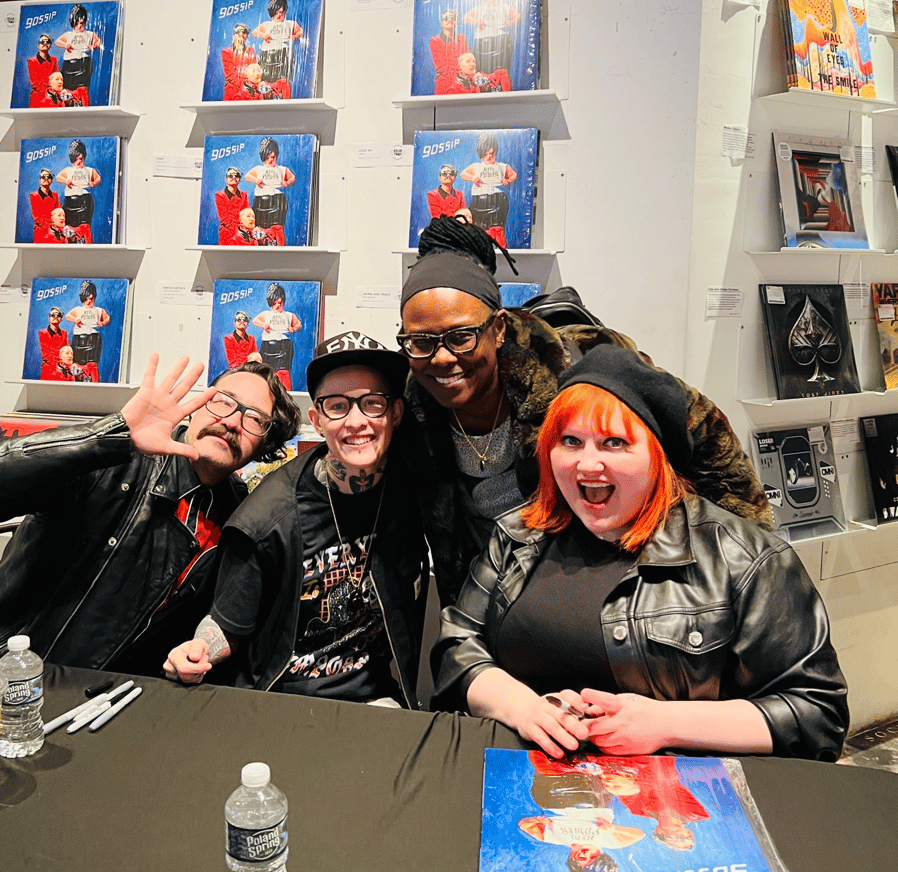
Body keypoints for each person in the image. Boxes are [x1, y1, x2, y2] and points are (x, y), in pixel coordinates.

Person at [431, 345, 849, 762]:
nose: (586, 464)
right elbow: (458, 644)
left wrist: (664, 723)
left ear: (657, 457)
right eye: (570, 441)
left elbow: (816, 713)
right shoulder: (519, 535)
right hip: (522, 784)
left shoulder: (746, 560)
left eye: (614, 443)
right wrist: (524, 708)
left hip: (676, 805)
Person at [396, 219, 772, 608]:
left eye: (461, 337)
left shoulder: (583, 366)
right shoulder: (411, 408)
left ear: (499, 328)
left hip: (600, 591)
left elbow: (705, 432)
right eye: (420, 341)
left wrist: (748, 570)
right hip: (491, 599)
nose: (441, 358)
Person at [0, 355, 299, 674]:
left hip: (102, 698)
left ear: (264, 447)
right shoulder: (116, 459)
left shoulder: (241, 514)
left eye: (255, 420)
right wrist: (113, 433)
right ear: (196, 406)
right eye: (223, 403)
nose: (233, 422)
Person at [164, 333, 428, 706]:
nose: (356, 422)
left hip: (378, 700)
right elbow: (227, 626)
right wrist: (198, 650)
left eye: (372, 404)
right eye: (337, 407)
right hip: (282, 703)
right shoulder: (265, 519)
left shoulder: (412, 487)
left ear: (395, 414)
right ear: (318, 421)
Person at [459, 132, 517, 248]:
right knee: (479, 229)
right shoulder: (476, 166)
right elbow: (463, 174)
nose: (489, 157)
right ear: (481, 154)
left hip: (497, 199)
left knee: (497, 229)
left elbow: (514, 174)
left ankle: (501, 251)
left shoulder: (502, 166)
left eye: (491, 153)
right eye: (485, 154)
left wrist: (508, 181)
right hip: (479, 200)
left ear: (495, 152)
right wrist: (473, 178)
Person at [464, 0, 521, 76]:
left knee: (501, 69)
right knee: (481, 70)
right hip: (482, 39)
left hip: (501, 39)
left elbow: (518, 16)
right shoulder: (479, 8)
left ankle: (500, 86)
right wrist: (476, 21)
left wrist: (510, 22)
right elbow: (466, 18)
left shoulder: (504, 7)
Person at [244, 137, 296, 247]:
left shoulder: (282, 169)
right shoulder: (259, 169)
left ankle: (280, 249)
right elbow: (247, 176)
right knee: (260, 228)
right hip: (261, 200)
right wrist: (256, 180)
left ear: (276, 155)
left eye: (272, 157)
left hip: (277, 200)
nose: (270, 161)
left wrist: (286, 183)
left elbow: (292, 177)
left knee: (277, 228)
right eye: (266, 158)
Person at [253, 283, 302, 390]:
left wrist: (293, 329)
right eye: (274, 303)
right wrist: (263, 325)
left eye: (279, 303)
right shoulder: (266, 314)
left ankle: (285, 397)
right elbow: (255, 321)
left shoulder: (289, 315)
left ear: (283, 301)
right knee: (266, 373)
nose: (277, 306)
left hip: (283, 346)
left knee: (283, 373)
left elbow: (298, 324)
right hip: (267, 346)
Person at [53, 3, 101, 104]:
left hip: (83, 64)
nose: (79, 26)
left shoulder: (89, 34)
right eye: (77, 23)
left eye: (82, 23)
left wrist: (93, 46)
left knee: (83, 91)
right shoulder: (69, 34)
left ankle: (84, 109)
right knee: (67, 91)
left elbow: (97, 40)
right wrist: (65, 44)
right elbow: (57, 42)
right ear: (73, 23)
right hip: (69, 64)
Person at [64, 280, 110, 380]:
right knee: (77, 364)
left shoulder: (98, 310)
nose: (89, 301)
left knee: (92, 364)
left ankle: (94, 383)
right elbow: (67, 316)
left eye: (91, 299)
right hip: (79, 338)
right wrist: (75, 319)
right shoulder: (78, 309)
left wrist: (102, 323)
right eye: (86, 299)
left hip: (93, 338)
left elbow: (107, 318)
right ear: (82, 299)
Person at [253, 0, 302, 85]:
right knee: (267, 78)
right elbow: (255, 32)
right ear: (272, 13)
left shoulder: (290, 23)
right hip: (268, 54)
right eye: (276, 13)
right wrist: (264, 35)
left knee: (282, 79)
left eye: (281, 12)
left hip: (283, 53)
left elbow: (300, 31)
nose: (279, 16)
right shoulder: (267, 24)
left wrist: (294, 36)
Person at [56, 139, 101, 231]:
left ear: (84, 157)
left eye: (80, 159)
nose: (78, 162)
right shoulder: (68, 170)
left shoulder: (89, 170)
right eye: (75, 160)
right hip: (70, 201)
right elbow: (58, 177)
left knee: (84, 228)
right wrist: (66, 180)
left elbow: (98, 178)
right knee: (68, 227)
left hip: (84, 201)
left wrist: (93, 183)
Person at [428, 9, 470, 95]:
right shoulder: (435, 41)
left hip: (464, 78)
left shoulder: (462, 38)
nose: (450, 20)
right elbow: (441, 66)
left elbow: (468, 60)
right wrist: (457, 77)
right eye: (446, 18)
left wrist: (466, 76)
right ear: (442, 23)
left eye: (453, 18)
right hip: (445, 80)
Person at [442, 51, 512, 95]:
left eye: (474, 61)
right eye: (468, 61)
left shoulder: (478, 78)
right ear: (459, 67)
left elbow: (503, 72)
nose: (472, 64)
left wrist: (487, 79)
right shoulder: (453, 89)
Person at [220, 22, 257, 101]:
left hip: (250, 87)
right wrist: (244, 84)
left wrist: (252, 84)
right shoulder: (226, 52)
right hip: (233, 88)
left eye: (244, 33)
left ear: (246, 36)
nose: (241, 34)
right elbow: (230, 75)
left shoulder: (250, 51)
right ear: (234, 36)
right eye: (238, 32)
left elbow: (254, 70)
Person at [215, 168, 250, 244]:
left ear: (239, 179)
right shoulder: (220, 196)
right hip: (228, 233)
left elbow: (248, 214)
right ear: (226, 179)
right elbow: (224, 219)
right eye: (230, 175)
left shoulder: (244, 195)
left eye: (236, 175)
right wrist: (238, 231)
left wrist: (245, 230)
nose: (234, 178)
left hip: (244, 231)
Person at [29, 169, 62, 240]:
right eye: (43, 176)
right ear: (40, 180)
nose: (46, 178)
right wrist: (51, 228)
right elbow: (37, 218)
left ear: (51, 180)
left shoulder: (55, 195)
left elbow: (59, 212)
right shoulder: (34, 196)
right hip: (41, 232)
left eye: (49, 176)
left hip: (55, 231)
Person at [27, 34, 57, 107]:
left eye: (48, 41)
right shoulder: (32, 61)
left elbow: (56, 77)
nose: (45, 43)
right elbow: (35, 82)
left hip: (51, 98)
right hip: (37, 98)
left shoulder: (53, 60)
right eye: (42, 41)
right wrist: (49, 90)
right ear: (38, 46)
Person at [37, 305, 69, 370]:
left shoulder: (64, 333)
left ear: (61, 319)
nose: (56, 317)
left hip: (63, 365)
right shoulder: (43, 333)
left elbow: (67, 350)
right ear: (49, 318)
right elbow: (46, 355)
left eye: (58, 315)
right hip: (49, 366)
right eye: (53, 314)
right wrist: (58, 365)